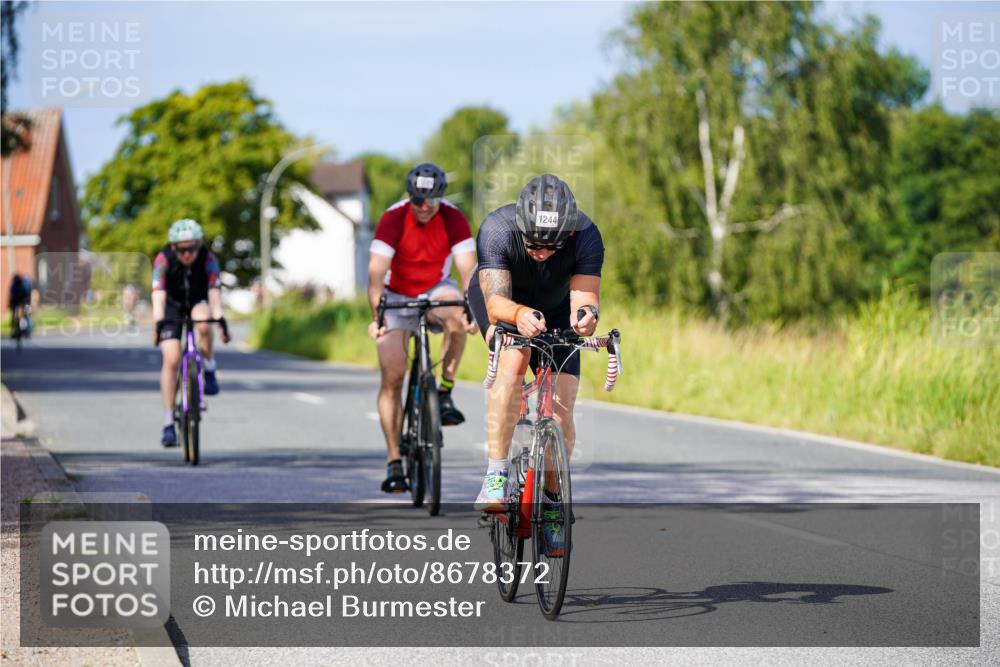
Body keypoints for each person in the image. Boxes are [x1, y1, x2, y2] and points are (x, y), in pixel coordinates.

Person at [467, 174, 604, 556]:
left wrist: (586, 317)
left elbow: (585, 296)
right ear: (521, 229)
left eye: (552, 246)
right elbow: (495, 304)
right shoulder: (497, 229)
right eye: (533, 244)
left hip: (557, 309)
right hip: (505, 301)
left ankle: (554, 501)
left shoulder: (587, 234)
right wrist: (519, 313)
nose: (542, 252)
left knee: (562, 408)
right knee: (514, 359)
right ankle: (496, 472)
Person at [367, 162, 477, 493]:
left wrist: (473, 309)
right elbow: (375, 274)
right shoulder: (393, 218)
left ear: (441, 197)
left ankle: (444, 391)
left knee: (457, 315)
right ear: (410, 196)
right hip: (396, 293)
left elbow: (468, 269)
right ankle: (394, 460)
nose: (425, 207)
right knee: (393, 375)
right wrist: (378, 316)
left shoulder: (454, 218)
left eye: (432, 200)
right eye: (418, 200)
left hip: (434, 287)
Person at [151, 219, 230, 447]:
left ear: (199, 245)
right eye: (183, 249)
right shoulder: (163, 260)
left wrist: (220, 320)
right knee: (172, 358)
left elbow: (214, 294)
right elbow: (158, 295)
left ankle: (209, 366)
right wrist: (158, 324)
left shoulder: (208, 259)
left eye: (192, 248)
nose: (188, 254)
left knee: (204, 324)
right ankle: (168, 423)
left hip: (198, 301)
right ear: (174, 247)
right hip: (172, 307)